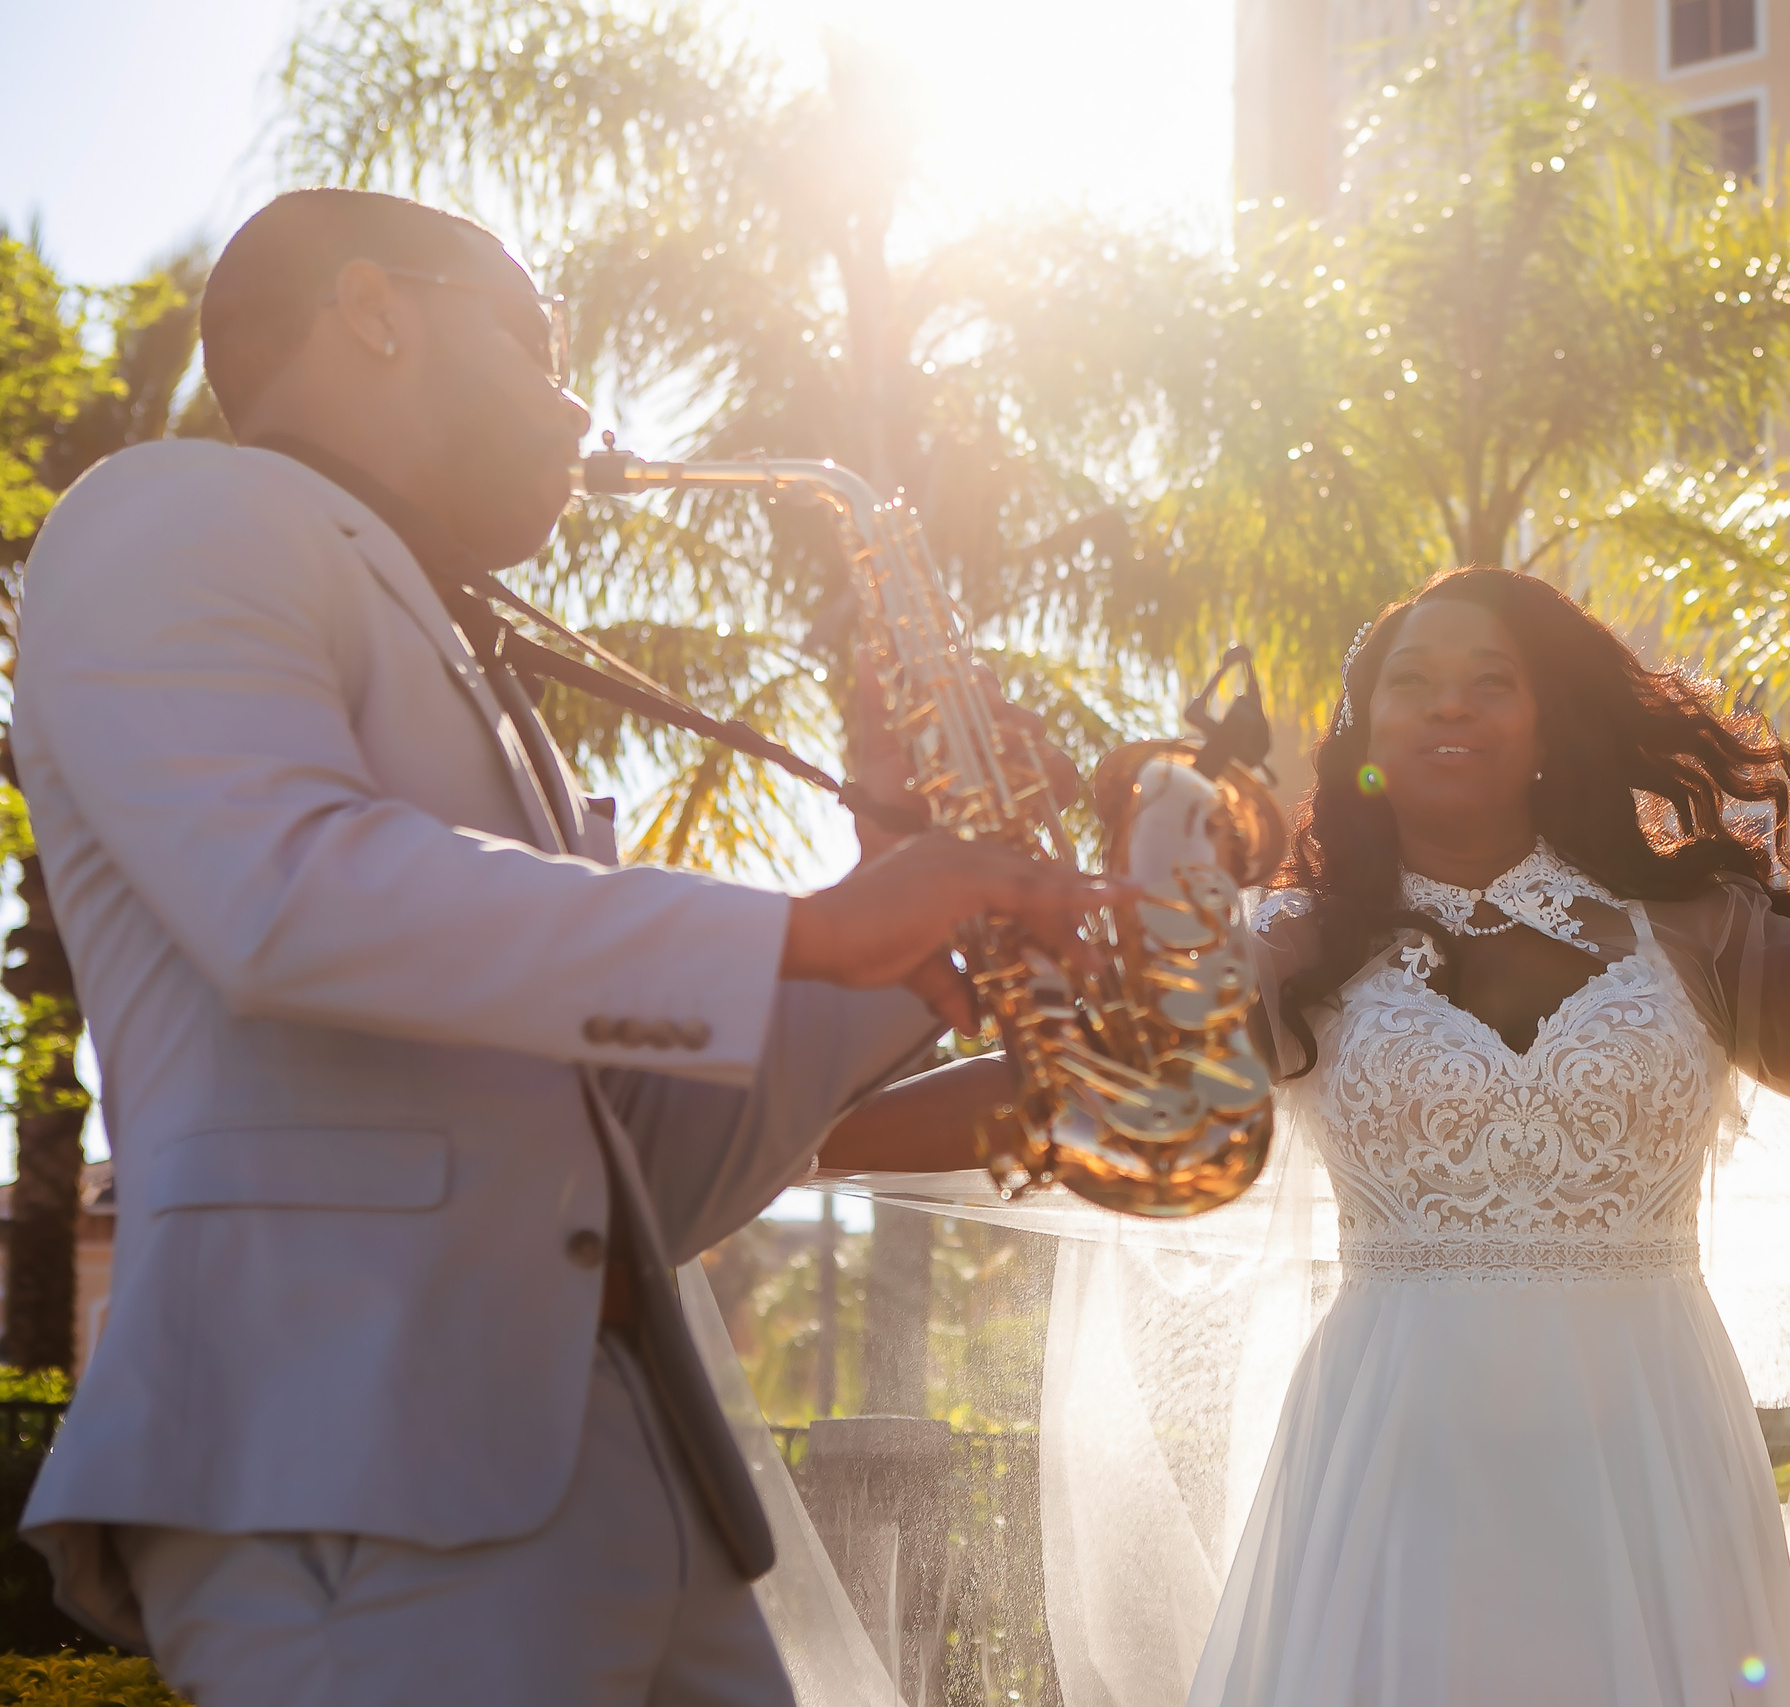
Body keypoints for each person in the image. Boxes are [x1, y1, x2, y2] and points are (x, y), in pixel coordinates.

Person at [818, 569, 1790, 1707]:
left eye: (1489, 677)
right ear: (1364, 726)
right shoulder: (1285, 945)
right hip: (1394, 1445)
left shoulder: (1692, 928)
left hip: (1641, 1441)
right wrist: (799, 1125)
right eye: (1412, 679)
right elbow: (1074, 1083)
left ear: (1548, 715)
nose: (1449, 702)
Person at [11, 188, 1124, 1707]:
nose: (576, 402)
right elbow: (286, 894)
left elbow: (650, 1178)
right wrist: (811, 928)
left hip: (633, 1477)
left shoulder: (468, 666)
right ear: (374, 311)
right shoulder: (171, 509)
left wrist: (914, 945)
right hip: (363, 1477)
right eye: (534, 340)